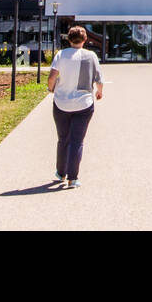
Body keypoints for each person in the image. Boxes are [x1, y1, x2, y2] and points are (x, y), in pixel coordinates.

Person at [46, 25, 102, 189]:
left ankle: (60, 172)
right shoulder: (90, 56)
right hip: (83, 104)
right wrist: (99, 92)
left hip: (61, 103)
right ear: (85, 40)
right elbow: (98, 78)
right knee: (77, 140)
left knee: (63, 138)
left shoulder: (61, 54)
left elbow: (52, 77)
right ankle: (73, 178)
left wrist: (51, 89)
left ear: (69, 39)